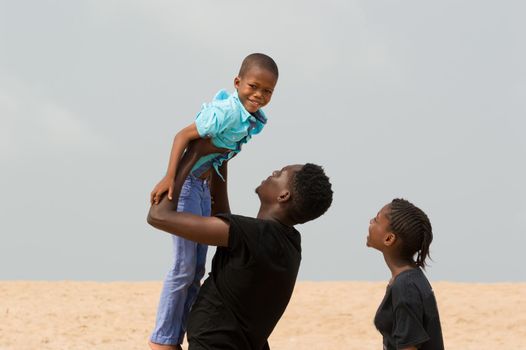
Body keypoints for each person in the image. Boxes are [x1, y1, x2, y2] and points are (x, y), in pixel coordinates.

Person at [147, 138, 333, 349]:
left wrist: (192, 155)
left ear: (284, 195)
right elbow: (223, 218)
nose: (273, 172)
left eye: (280, 173)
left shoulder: (254, 234)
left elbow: (158, 216)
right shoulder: (288, 243)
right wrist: (221, 162)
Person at [148, 54, 279, 349]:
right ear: (237, 82)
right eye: (253, 86)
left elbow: (222, 157)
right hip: (187, 184)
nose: (258, 95)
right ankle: (163, 340)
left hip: (203, 187)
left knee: (197, 269)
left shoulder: (252, 119)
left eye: (267, 91)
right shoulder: (226, 112)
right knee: (183, 266)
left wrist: (222, 205)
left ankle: (177, 335)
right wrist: (170, 178)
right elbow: (183, 136)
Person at [367, 199, 444, 350]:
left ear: (389, 239)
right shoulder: (408, 279)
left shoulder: (405, 287)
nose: (370, 222)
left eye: (376, 220)